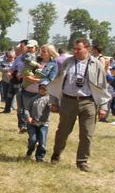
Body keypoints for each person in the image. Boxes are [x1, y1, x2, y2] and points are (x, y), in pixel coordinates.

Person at [48, 38, 112, 172]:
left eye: (78, 49)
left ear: (87, 49)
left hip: (89, 102)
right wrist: (53, 101)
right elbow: (57, 81)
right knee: (63, 132)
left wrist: (104, 107)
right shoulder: (67, 62)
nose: (75, 51)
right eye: (74, 48)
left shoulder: (96, 64)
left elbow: (102, 86)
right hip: (68, 101)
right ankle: (56, 154)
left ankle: (82, 161)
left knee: (87, 134)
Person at [19, 44, 60, 133]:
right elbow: (23, 62)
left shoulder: (53, 65)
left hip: (42, 93)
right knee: (27, 112)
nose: (41, 53)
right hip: (28, 89)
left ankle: (40, 136)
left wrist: (35, 80)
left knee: (41, 115)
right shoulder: (35, 61)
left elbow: (50, 79)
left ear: (50, 53)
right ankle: (30, 134)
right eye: (41, 51)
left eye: (44, 51)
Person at [11, 39, 38, 132]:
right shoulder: (20, 57)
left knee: (30, 107)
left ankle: (30, 126)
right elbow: (13, 68)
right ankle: (22, 126)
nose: (28, 49)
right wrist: (13, 73)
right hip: (20, 83)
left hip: (33, 85)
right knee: (20, 107)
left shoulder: (39, 58)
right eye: (28, 47)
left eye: (23, 46)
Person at [25, 83, 52, 162]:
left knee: (42, 142)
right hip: (32, 123)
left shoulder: (48, 99)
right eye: (42, 89)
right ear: (39, 89)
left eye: (45, 89)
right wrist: (28, 117)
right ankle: (30, 150)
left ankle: (39, 157)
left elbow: (51, 106)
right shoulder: (33, 99)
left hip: (43, 124)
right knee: (33, 140)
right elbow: (26, 109)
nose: (43, 91)